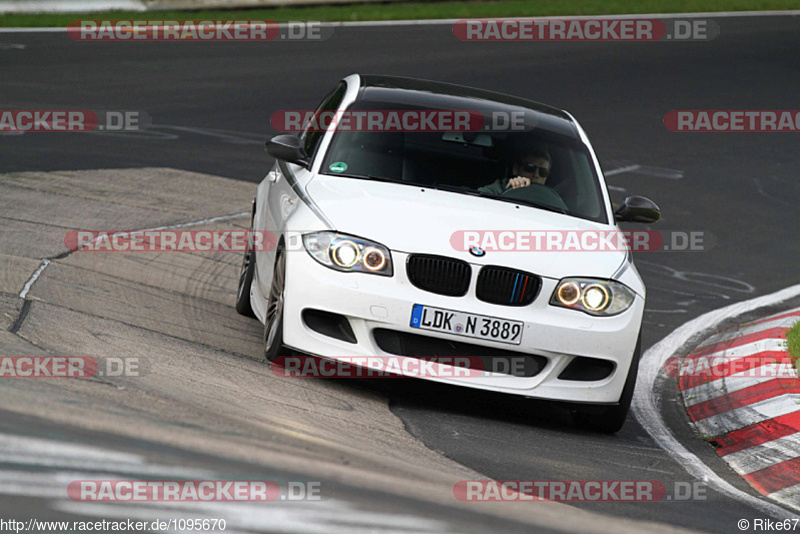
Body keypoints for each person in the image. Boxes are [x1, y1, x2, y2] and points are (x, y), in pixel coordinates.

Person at [478, 147, 551, 196]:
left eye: (543, 172)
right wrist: (512, 190)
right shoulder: (499, 188)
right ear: (515, 169)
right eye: (530, 168)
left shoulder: (552, 199)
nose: (536, 175)